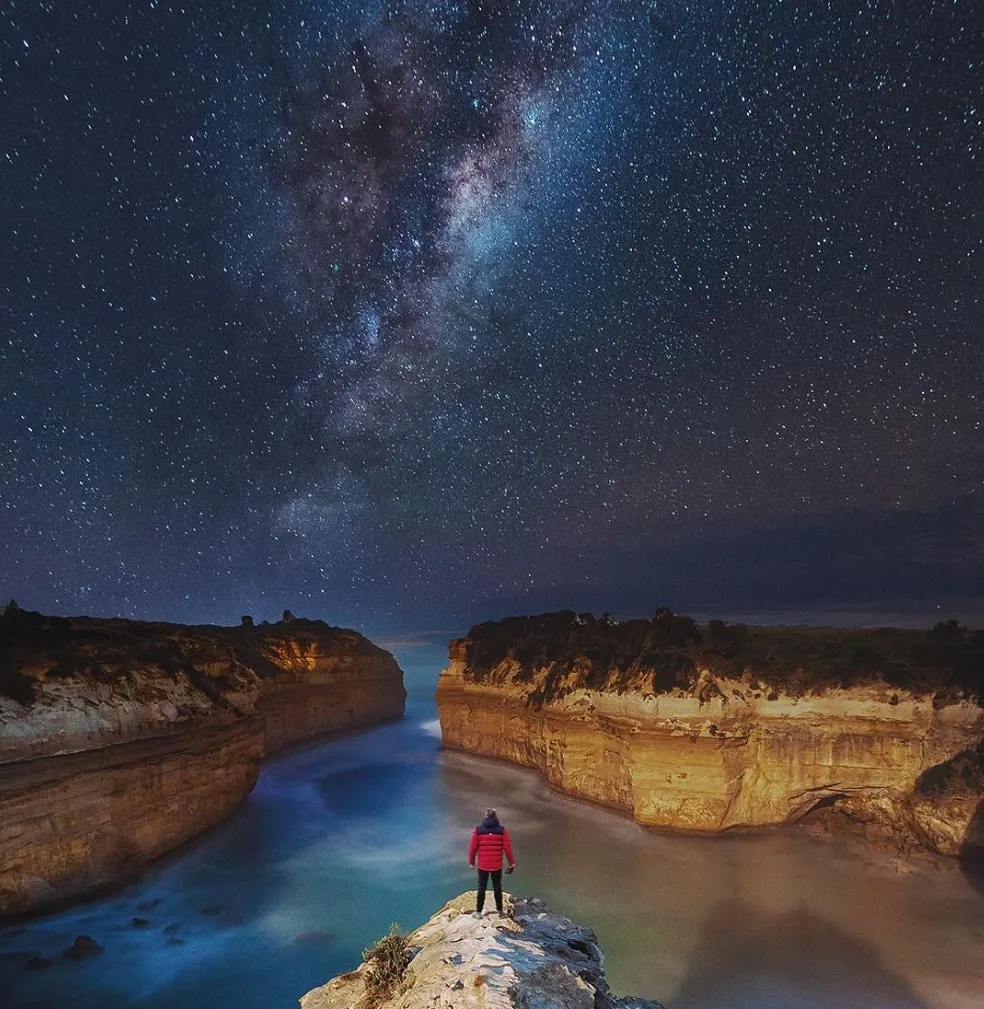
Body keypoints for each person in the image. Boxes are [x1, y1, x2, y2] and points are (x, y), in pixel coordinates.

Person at [468, 807, 516, 916]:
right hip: (496, 866)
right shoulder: (502, 830)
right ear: (496, 817)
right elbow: (507, 848)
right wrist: (511, 863)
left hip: (483, 866)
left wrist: (471, 862)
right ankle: (500, 912)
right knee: (497, 888)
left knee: (481, 888)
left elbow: (473, 847)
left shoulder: (478, 830)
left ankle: (479, 912)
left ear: (485, 816)